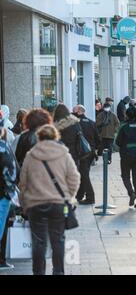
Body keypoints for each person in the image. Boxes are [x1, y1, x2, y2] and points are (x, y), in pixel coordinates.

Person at [19, 125, 81, 275]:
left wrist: (24, 202)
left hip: (36, 204)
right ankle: (58, 272)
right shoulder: (64, 154)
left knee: (38, 242)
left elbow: (23, 183)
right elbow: (74, 178)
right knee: (58, 240)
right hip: (58, 204)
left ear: (39, 137)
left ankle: (38, 272)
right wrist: (68, 195)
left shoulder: (31, 155)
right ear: (55, 137)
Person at [73, 105, 100, 205]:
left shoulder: (76, 123)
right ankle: (80, 195)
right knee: (84, 173)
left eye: (74, 110)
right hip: (91, 152)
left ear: (79, 111)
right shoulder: (92, 122)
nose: (72, 112)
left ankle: (90, 197)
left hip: (81, 153)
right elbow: (98, 139)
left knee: (84, 175)